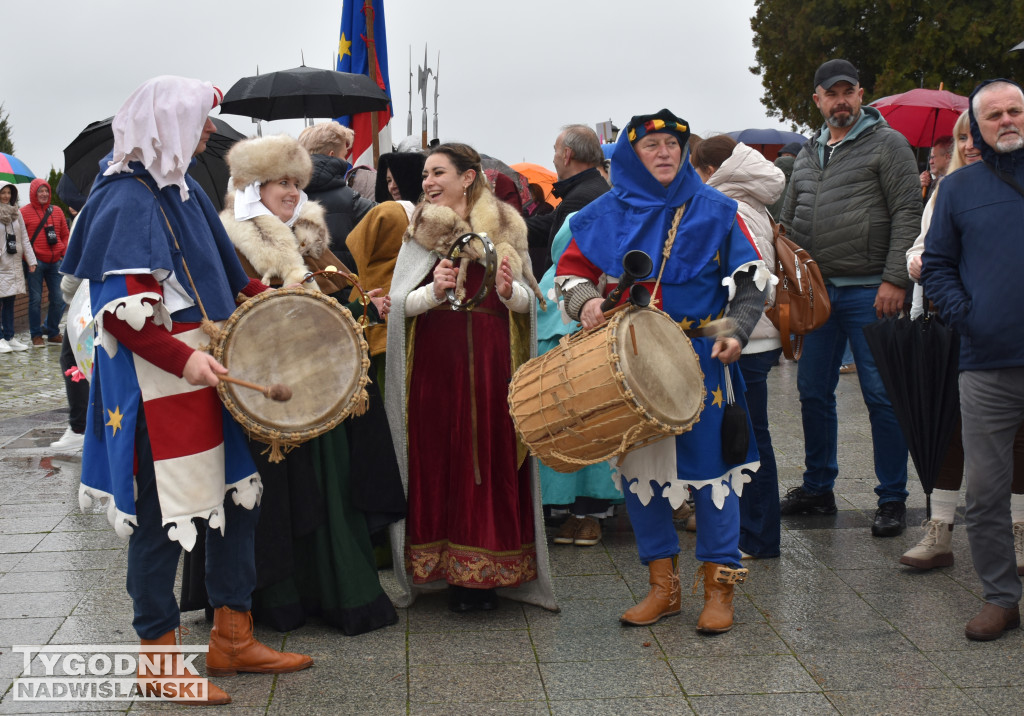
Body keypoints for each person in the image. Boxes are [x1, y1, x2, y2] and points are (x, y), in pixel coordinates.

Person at [61, 76, 311, 705]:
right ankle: (157, 658)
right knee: (157, 519)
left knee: (238, 503)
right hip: (155, 385)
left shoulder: (187, 190)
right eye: (201, 119)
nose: (207, 131)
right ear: (169, 120)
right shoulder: (123, 198)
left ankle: (232, 635)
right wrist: (184, 360)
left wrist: (274, 301)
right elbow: (120, 314)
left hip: (206, 374)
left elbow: (224, 279)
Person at [557, 109, 771, 633]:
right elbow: (568, 273)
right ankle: (662, 588)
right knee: (641, 476)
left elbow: (752, 281)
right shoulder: (605, 212)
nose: (665, 152)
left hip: (701, 361)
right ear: (631, 154)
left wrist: (737, 330)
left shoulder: (718, 209)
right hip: (631, 361)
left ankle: (719, 590)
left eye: (673, 144)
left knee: (714, 475)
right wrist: (585, 302)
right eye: (652, 145)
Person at [203, 132, 402, 635]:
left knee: (333, 494)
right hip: (268, 400)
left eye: (296, 182)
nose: (292, 192)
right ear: (252, 187)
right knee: (277, 501)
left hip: (323, 396)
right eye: (279, 183)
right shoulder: (231, 243)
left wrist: (362, 303)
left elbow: (341, 305)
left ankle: (338, 594)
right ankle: (280, 600)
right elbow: (226, 321)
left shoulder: (312, 240)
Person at [384, 142, 556, 614]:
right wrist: (431, 294)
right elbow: (401, 307)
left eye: (438, 173)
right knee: (439, 460)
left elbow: (529, 303)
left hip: (492, 367)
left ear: (468, 177)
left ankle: (488, 577)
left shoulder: (505, 228)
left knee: (489, 459)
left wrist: (508, 291)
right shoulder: (419, 231)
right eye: (424, 176)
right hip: (434, 372)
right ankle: (442, 572)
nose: (427, 183)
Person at [779, 59, 921, 537]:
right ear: (817, 100)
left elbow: (907, 210)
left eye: (848, 92)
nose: (840, 100)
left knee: (881, 396)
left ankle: (893, 498)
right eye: (830, 93)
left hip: (870, 291)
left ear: (861, 95)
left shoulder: (889, 144)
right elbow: (793, 219)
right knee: (812, 392)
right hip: (818, 295)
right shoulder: (805, 154)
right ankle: (819, 488)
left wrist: (896, 278)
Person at [922, 78, 1024, 641]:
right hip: (986, 361)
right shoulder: (958, 189)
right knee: (986, 491)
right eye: (995, 115)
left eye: (1015, 111)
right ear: (977, 128)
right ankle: (1001, 598)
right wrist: (969, 315)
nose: (1007, 120)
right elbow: (937, 265)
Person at [691, 134, 786, 560]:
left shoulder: (728, 204)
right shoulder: (748, 197)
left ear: (708, 171)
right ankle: (754, 531)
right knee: (750, 434)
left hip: (744, 338)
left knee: (749, 438)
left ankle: (758, 535)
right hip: (755, 337)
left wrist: (717, 327)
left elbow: (750, 279)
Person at [525, 125, 609, 277]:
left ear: (567, 154)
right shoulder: (595, 187)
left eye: (555, 150)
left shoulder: (579, 197)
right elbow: (548, 225)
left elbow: (561, 262)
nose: (553, 158)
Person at [297, 122, 375, 272]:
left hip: (300, 286)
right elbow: (388, 219)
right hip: (345, 285)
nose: (346, 161)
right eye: (345, 155)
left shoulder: (285, 197)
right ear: (332, 155)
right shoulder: (351, 200)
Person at [21, 178, 70, 347]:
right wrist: (28, 259)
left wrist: (63, 252)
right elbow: (21, 239)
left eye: (46, 191)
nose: (44, 194)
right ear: (33, 193)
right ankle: (36, 335)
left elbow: (65, 234)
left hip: (55, 261)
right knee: (35, 300)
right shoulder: (24, 212)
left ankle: (52, 331)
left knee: (59, 298)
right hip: (35, 262)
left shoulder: (56, 211)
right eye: (40, 191)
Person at [0, 182, 36, 352]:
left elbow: (25, 238)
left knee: (10, 302)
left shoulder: (16, 213)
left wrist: (31, 260)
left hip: (14, 264)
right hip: (1, 264)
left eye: (9, 193)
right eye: (3, 193)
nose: (6, 196)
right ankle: (0, 339)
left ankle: (9, 336)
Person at [920, 135, 953, 202]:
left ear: (947, 157)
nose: (930, 162)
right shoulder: (928, 183)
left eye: (934, 157)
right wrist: (918, 187)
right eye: (930, 158)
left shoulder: (951, 184)